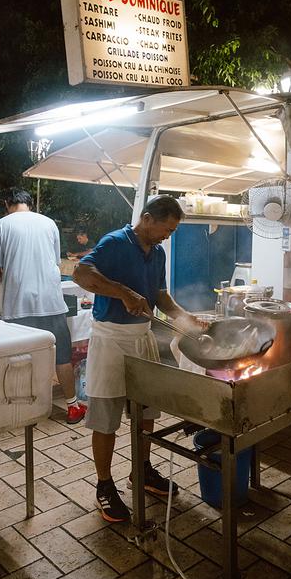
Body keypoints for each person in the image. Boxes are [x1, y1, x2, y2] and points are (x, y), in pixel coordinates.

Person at [72, 195, 206, 522]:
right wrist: (122, 292)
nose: (167, 236)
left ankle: (141, 471)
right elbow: (80, 273)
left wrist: (187, 318)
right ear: (147, 218)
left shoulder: (157, 253)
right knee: (106, 419)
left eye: (172, 232)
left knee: (146, 414)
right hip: (111, 340)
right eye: (166, 229)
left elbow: (159, 296)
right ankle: (104, 486)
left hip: (142, 338)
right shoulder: (115, 243)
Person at [0, 189, 83, 424]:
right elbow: (55, 261)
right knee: (62, 356)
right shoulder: (49, 224)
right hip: (52, 302)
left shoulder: (0, 226)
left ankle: (23, 412)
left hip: (18, 305)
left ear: (7, 203)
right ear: (29, 203)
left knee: (20, 360)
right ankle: (73, 406)